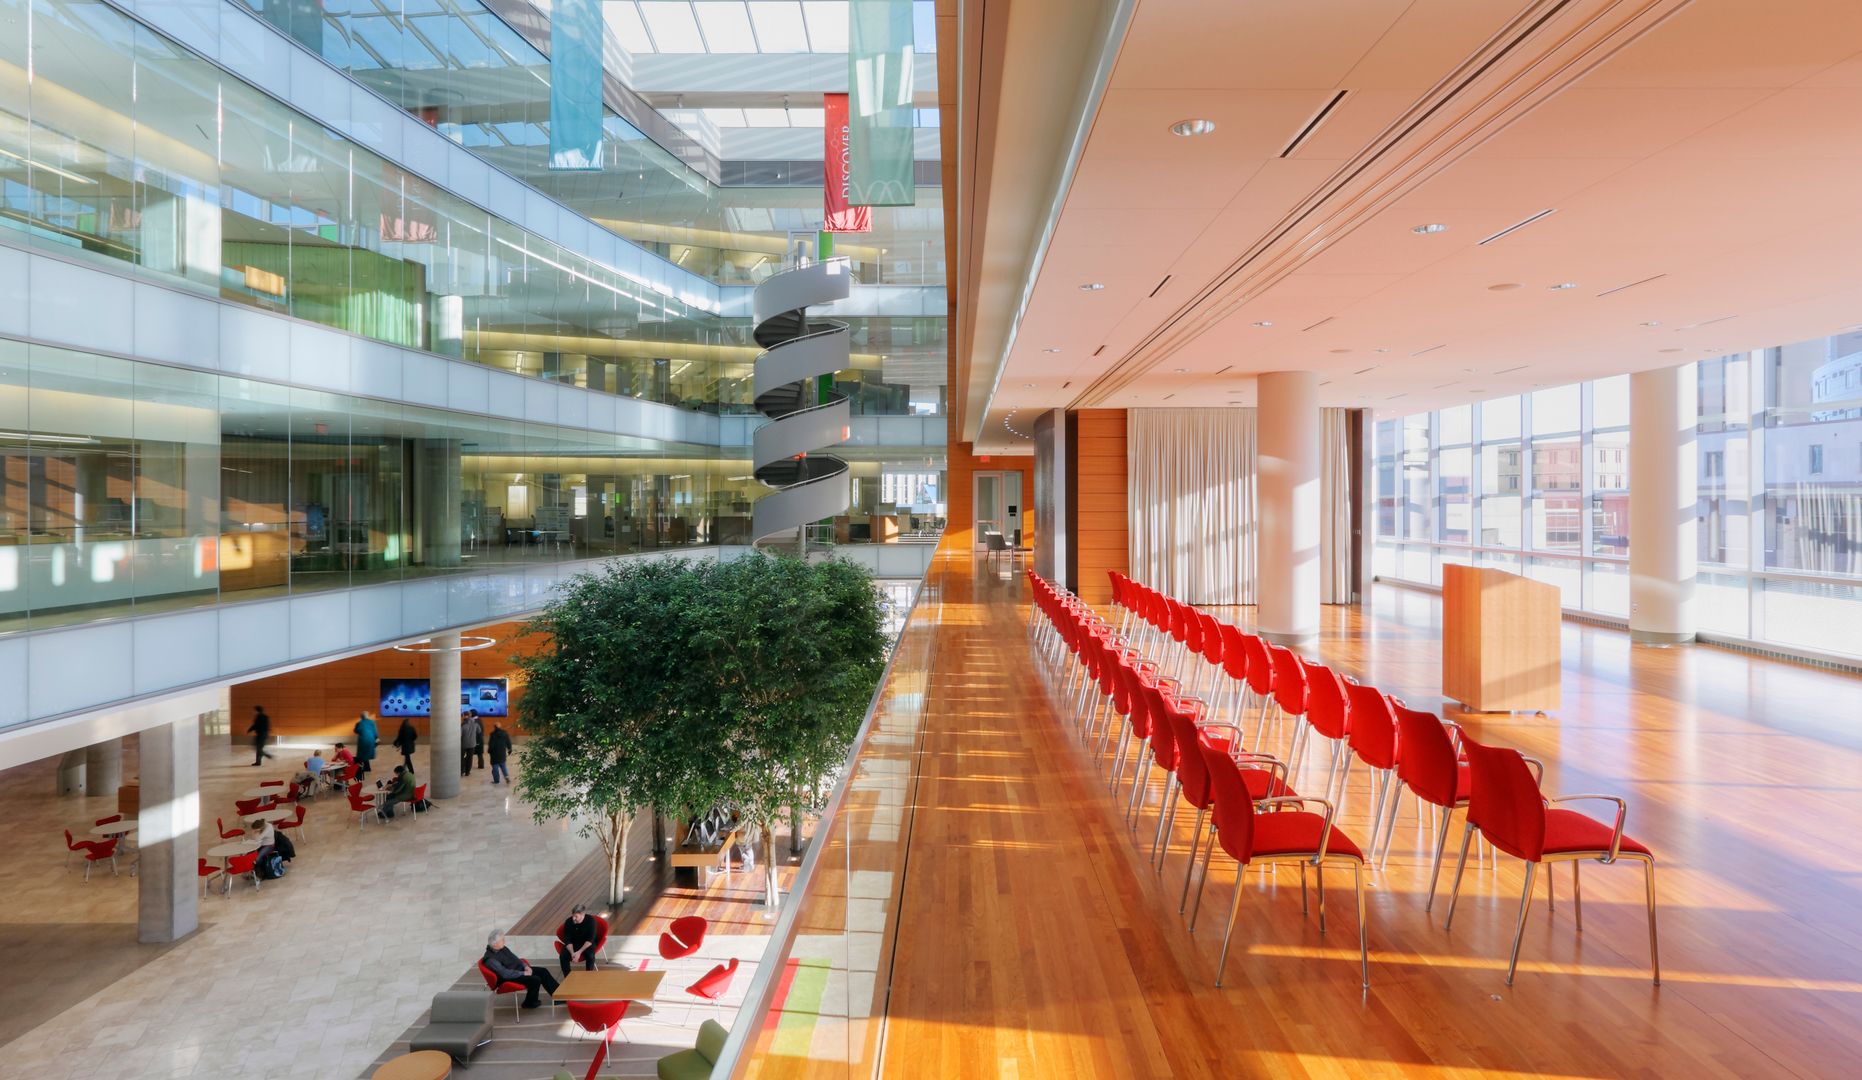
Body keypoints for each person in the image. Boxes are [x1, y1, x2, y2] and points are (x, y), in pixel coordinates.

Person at [483, 930, 557, 1009]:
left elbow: (516, 959)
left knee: (543, 971)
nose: (504, 941)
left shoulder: (502, 948)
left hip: (518, 970)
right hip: (508, 978)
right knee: (535, 980)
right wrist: (524, 973)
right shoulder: (491, 960)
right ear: (495, 944)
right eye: (502, 940)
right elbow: (505, 974)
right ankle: (529, 1003)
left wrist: (526, 966)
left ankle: (558, 995)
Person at [557, 903, 601, 975]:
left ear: (583, 915)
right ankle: (567, 976)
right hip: (573, 943)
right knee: (563, 956)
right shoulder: (568, 922)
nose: (573, 918)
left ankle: (589, 975)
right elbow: (567, 940)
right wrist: (572, 953)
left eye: (576, 916)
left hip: (586, 943)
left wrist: (579, 952)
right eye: (573, 916)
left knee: (590, 956)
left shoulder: (591, 921)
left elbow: (590, 940)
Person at [353, 713, 379, 779]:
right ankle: (367, 767)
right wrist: (376, 738)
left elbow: (356, 730)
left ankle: (361, 768)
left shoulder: (359, 723)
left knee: (361, 754)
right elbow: (375, 731)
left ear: (361, 717)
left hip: (363, 740)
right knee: (366, 754)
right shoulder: (372, 722)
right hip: (371, 739)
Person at [460, 711, 482, 777]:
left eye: (462, 715)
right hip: (472, 744)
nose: (462, 716)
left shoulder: (463, 724)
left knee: (461, 758)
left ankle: (461, 771)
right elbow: (479, 731)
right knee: (470, 758)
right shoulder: (475, 724)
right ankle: (467, 772)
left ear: (465, 716)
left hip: (463, 744)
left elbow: (459, 734)